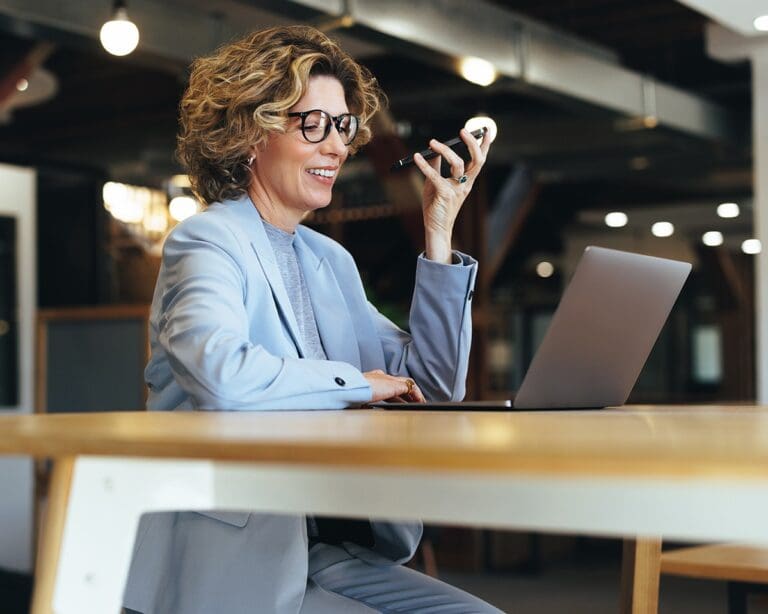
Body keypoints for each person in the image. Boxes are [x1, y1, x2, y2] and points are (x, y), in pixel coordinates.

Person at [122, 25, 500, 614]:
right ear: (252, 132)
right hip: (234, 560)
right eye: (314, 125)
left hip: (327, 548)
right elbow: (221, 375)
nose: (336, 147)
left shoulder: (329, 261)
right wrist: (358, 385)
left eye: (343, 126)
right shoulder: (206, 241)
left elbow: (432, 385)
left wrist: (439, 235)